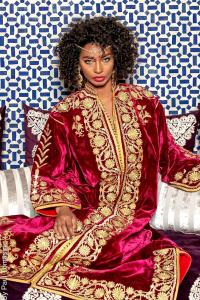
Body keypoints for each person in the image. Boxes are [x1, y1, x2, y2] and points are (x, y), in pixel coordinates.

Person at [0, 16, 200, 300]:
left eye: (105, 58)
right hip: (86, 211)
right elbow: (48, 171)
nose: (98, 68)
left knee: (112, 255)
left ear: (117, 57)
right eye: (88, 60)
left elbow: (171, 155)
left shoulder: (147, 103)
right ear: (76, 63)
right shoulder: (65, 113)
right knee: (23, 245)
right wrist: (63, 210)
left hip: (134, 218)